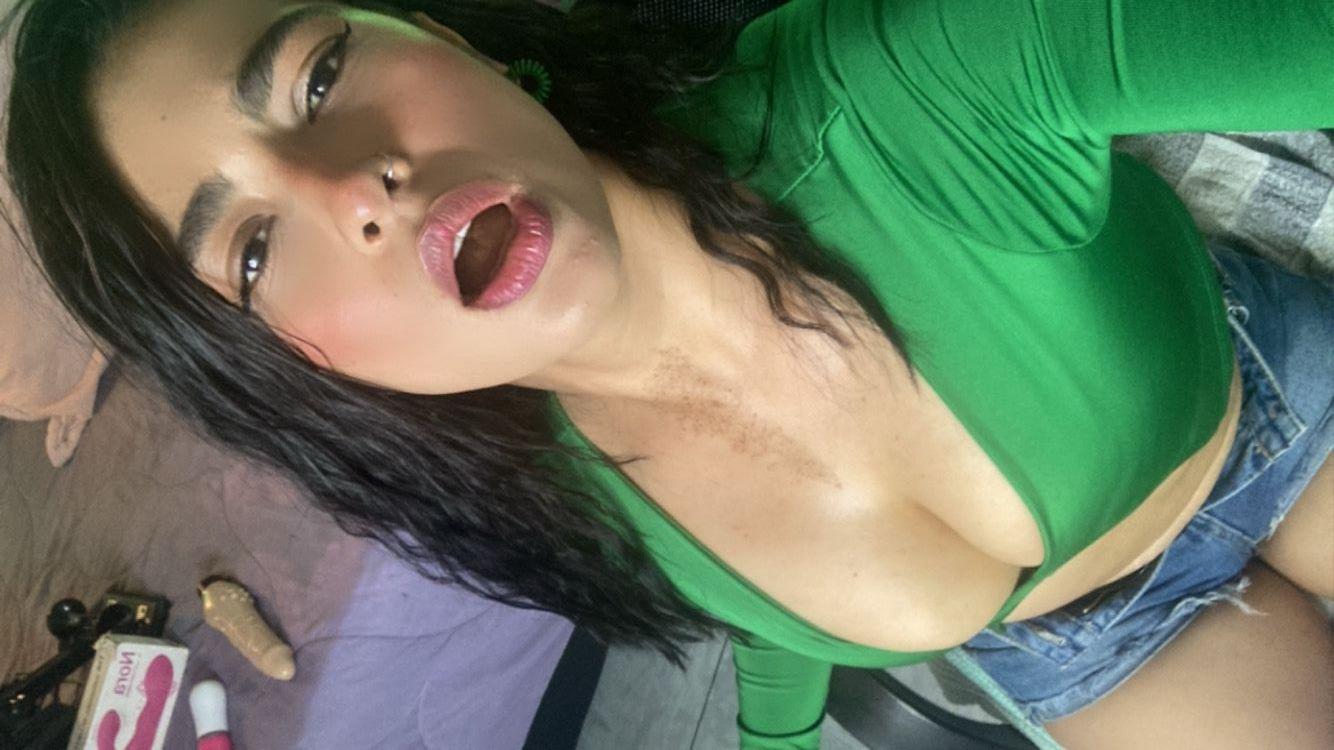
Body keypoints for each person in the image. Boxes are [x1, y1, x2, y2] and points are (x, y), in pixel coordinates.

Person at [4, 0, 1331, 747]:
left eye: (317, 72)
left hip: (1270, 424)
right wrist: (772, 740)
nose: (353, 186)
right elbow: (762, 614)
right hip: (1086, 651)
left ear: (438, 31)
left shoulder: (898, 89)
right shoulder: (556, 495)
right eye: (250, 251)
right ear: (299, 362)